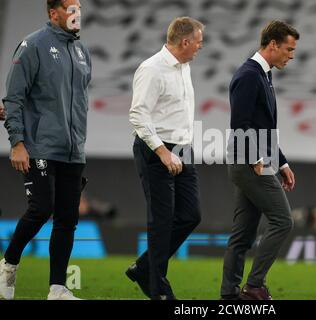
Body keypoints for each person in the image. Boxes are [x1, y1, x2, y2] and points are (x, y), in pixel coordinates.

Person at [0, 0, 91, 300]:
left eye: (79, 8)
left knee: (67, 218)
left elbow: (76, 104)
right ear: (54, 14)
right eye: (71, 9)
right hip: (39, 146)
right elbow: (13, 98)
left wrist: (78, 142)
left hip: (73, 150)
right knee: (41, 208)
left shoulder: (82, 52)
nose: (77, 14)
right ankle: (8, 265)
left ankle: (57, 289)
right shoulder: (33, 45)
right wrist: (17, 142)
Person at [221, 20, 299, 300]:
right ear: (273, 44)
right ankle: (254, 286)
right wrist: (256, 157)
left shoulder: (263, 75)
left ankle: (229, 297)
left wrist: (283, 163)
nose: (291, 55)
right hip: (249, 162)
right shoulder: (249, 76)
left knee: (242, 235)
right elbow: (240, 123)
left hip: (253, 160)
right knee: (283, 220)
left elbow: (264, 128)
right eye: (289, 49)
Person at [126, 17, 204, 300]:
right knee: (161, 220)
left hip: (183, 149)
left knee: (190, 216)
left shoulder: (184, 66)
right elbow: (138, 114)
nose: (200, 47)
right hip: (156, 149)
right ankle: (158, 289)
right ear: (184, 42)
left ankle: (144, 267)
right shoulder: (151, 69)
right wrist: (161, 150)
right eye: (198, 42)